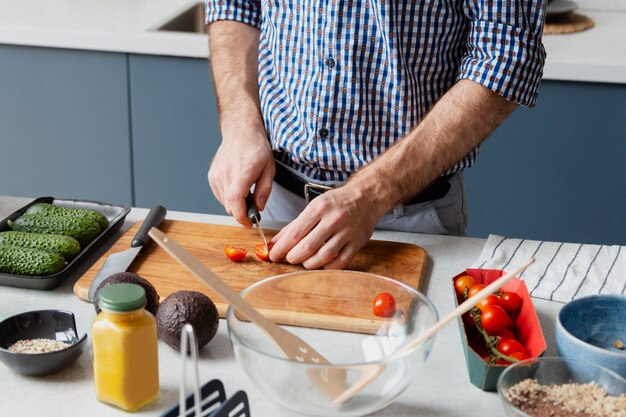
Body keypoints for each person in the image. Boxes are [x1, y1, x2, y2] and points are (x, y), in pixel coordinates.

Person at [205, 0, 547, 270]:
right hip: (274, 201)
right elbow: (234, 6)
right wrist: (239, 123)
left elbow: (506, 55)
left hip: (409, 220)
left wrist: (371, 194)